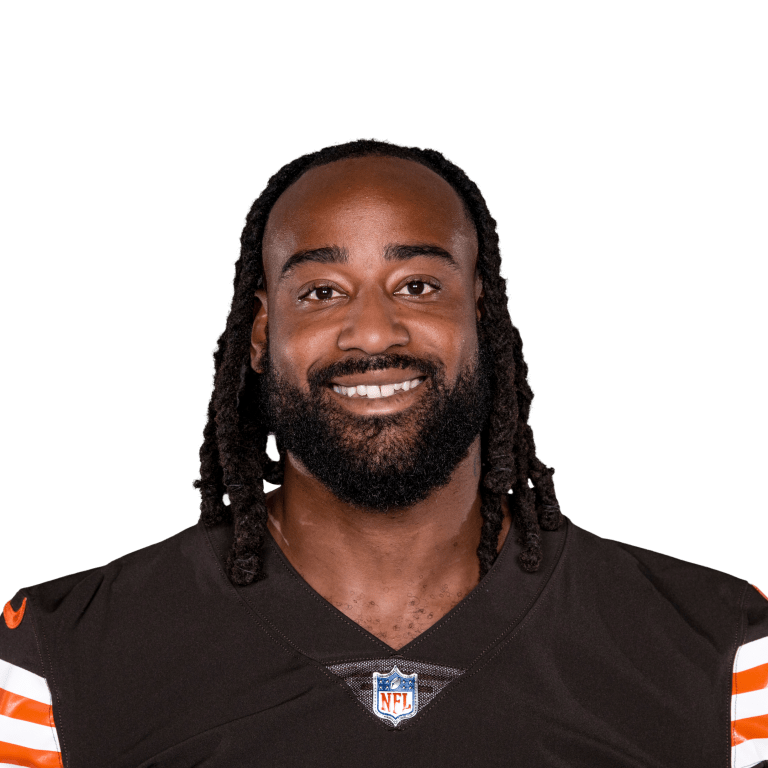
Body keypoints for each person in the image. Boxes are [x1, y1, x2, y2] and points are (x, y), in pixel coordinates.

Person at [1, 139, 766, 768]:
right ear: (262, 335)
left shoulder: (724, 651)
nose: (373, 332)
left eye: (418, 285)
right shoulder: (54, 660)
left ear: (483, 318)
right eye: (321, 292)